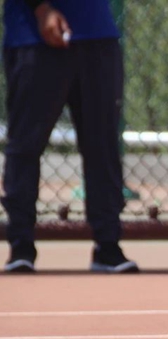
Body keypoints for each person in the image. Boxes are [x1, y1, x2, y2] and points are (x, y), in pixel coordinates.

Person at [2, 0, 138, 273]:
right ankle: (21, 247)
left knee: (102, 146)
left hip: (97, 34)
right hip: (33, 36)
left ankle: (107, 246)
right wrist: (42, 9)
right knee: (26, 146)